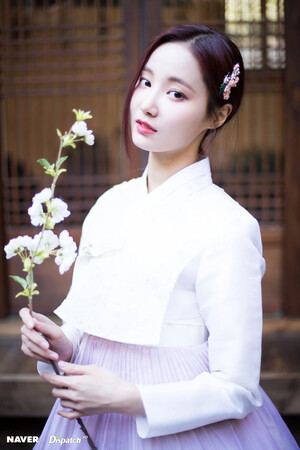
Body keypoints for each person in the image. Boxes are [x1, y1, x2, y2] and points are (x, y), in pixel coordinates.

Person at [19, 25, 298, 449]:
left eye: (176, 94)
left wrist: (132, 398)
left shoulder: (228, 226)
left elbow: (237, 387)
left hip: (181, 430)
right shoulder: (110, 205)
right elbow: (88, 325)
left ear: (217, 115)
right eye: (146, 82)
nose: (147, 104)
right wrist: (62, 342)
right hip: (91, 419)